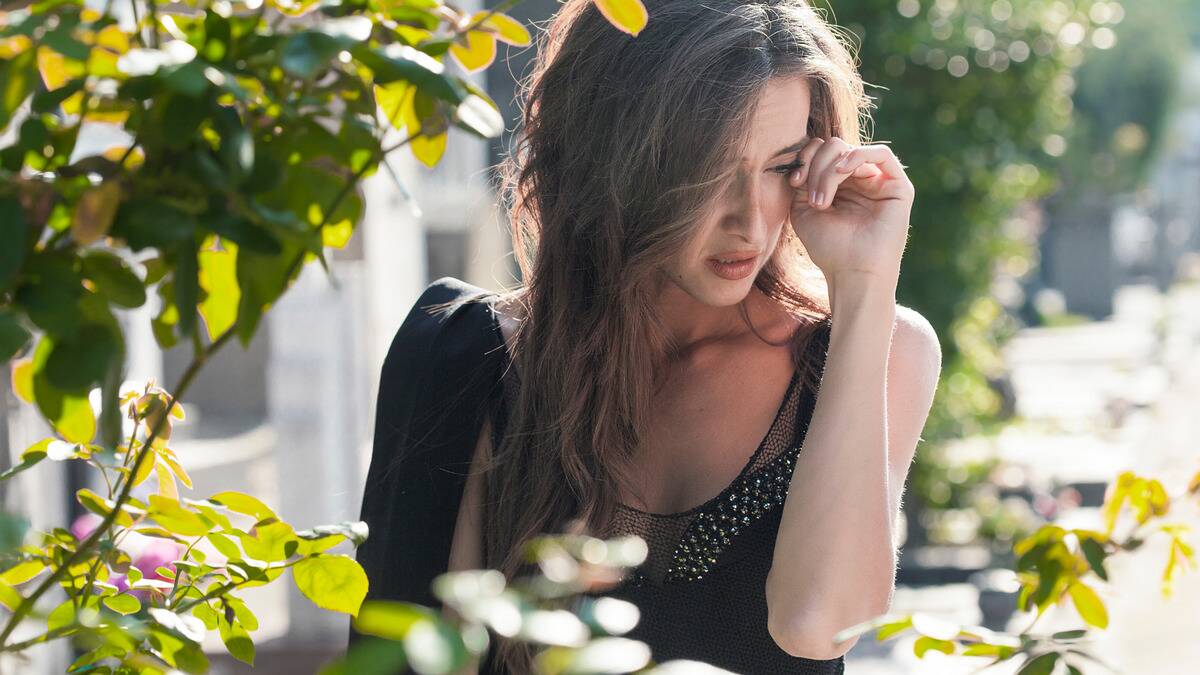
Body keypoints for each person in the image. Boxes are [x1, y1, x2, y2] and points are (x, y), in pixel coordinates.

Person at [351, 0, 942, 672]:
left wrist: (864, 282)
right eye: (709, 168)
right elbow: (413, 660)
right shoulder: (470, 353)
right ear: (616, 153)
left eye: (780, 167)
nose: (749, 222)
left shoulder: (876, 351)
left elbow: (818, 624)